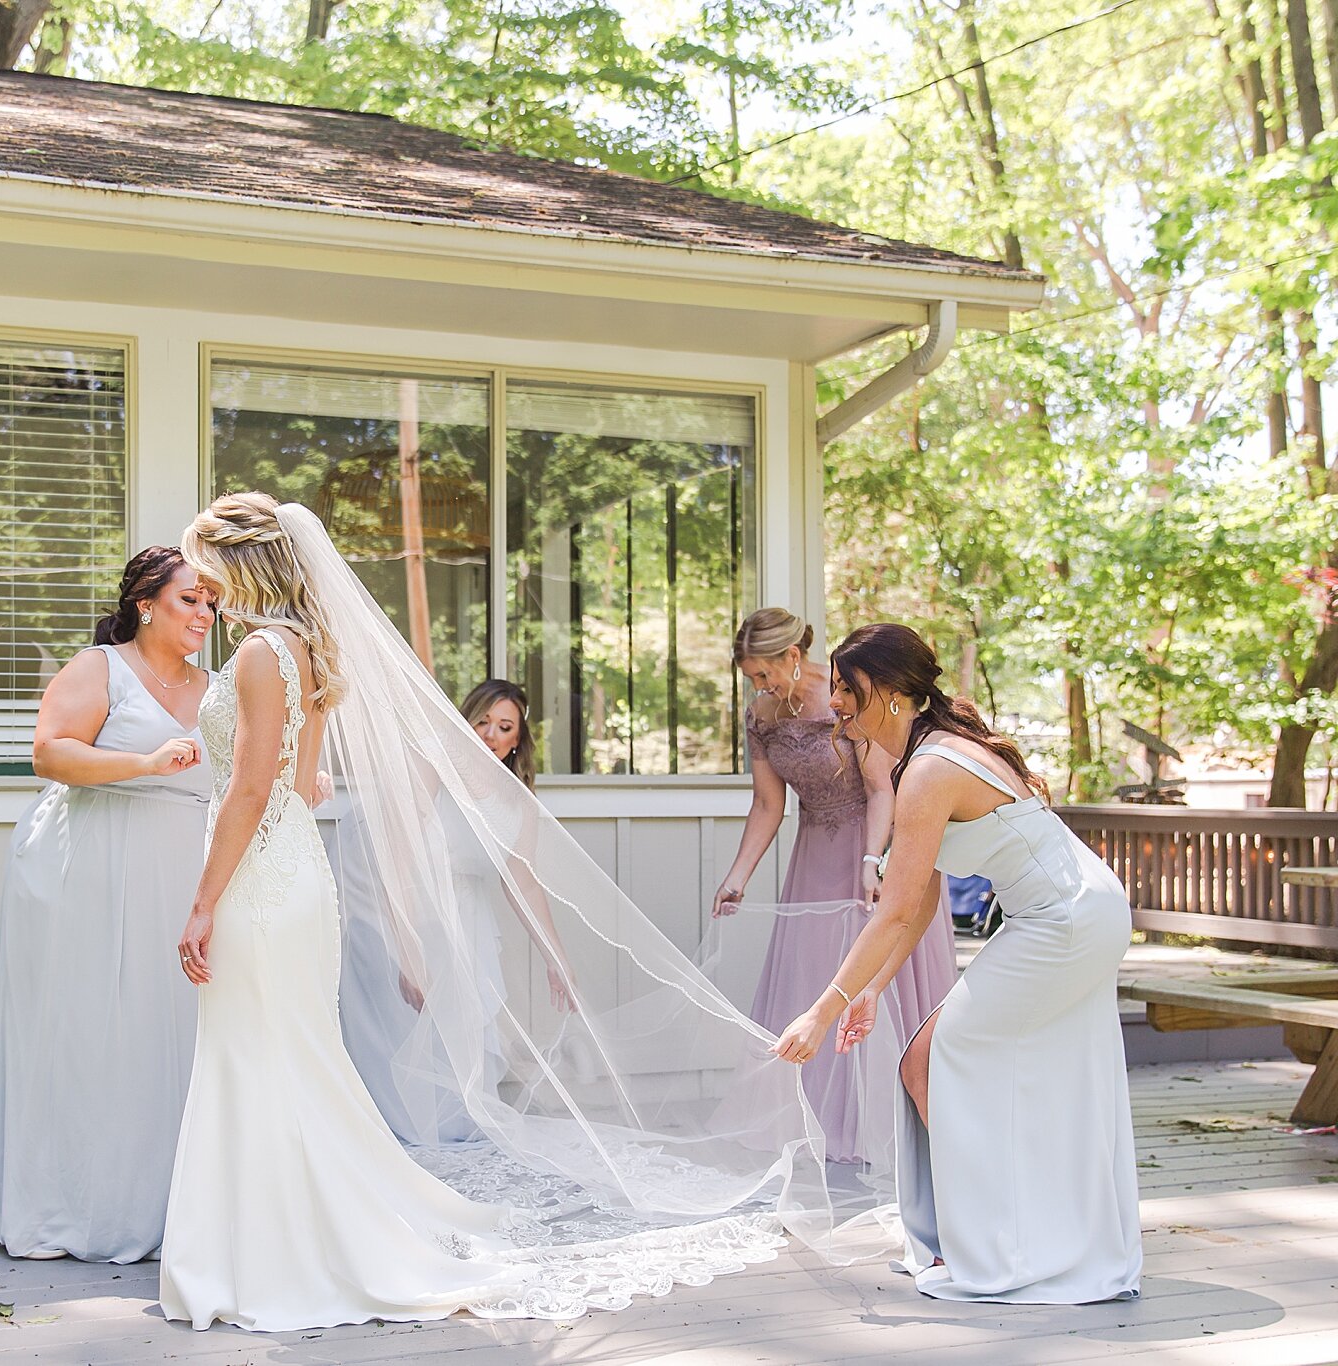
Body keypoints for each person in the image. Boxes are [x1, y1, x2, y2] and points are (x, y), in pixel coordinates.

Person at [158, 493, 872, 1334]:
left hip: (256, 881)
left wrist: (204, 899)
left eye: (206, 569)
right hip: (294, 871)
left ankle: (266, 1248)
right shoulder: (307, 652)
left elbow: (250, 787)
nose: (204, 586)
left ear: (237, 564)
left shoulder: (255, 656)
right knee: (289, 1056)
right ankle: (284, 1237)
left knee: (258, 1054)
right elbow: (309, 784)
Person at [773, 623, 1142, 1304]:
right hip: (1066, 915)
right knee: (935, 1060)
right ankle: (987, 1232)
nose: (837, 707)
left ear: (885, 692)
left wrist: (820, 1012)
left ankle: (998, 1240)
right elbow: (921, 901)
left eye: (848, 691)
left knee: (931, 1061)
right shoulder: (928, 757)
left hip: (1065, 922)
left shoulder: (932, 768)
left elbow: (892, 909)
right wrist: (873, 989)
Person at [0, 547, 216, 1264]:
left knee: (164, 1025)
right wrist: (144, 764)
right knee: (90, 1029)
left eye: (211, 604)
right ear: (145, 604)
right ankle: (76, 1206)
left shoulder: (220, 686)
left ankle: (168, 1206)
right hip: (89, 863)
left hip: (180, 865)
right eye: (189, 601)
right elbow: (50, 754)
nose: (204, 615)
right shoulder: (99, 667)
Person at [712, 608, 955, 1162]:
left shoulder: (846, 696)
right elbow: (768, 803)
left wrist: (873, 860)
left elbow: (880, 789)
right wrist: (738, 876)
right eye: (751, 678)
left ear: (792, 657)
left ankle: (891, 1120)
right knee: (812, 979)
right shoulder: (762, 714)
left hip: (870, 849)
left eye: (764, 674)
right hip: (813, 859)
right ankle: (818, 1122)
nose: (759, 686)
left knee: (873, 977)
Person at [336, 680, 571, 1144]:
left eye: (504, 727)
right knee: (399, 1018)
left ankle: (450, 1119)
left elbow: (521, 880)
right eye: (481, 721)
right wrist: (408, 948)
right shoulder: (433, 766)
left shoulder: (519, 803)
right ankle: (387, 1123)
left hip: (463, 907)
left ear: (517, 741)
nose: (489, 733)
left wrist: (555, 958)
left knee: (462, 1018)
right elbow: (399, 852)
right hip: (391, 896)